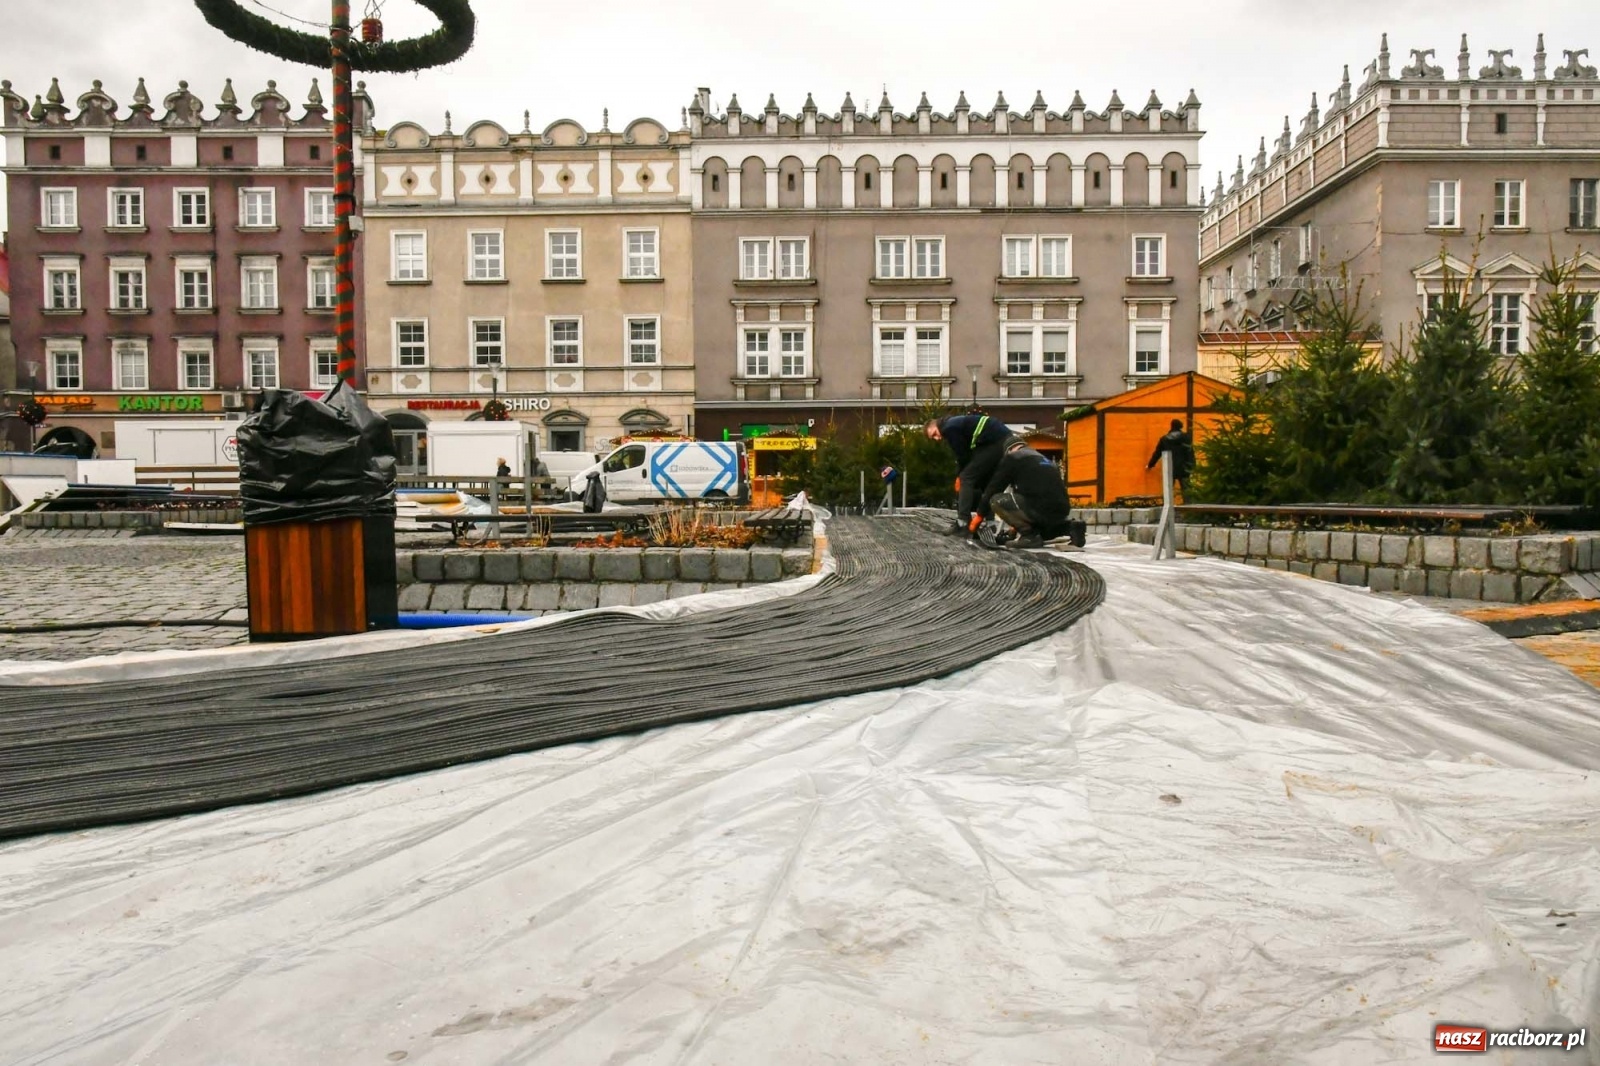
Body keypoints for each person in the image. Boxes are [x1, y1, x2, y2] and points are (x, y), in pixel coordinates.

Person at [978, 440, 1085, 549]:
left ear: (1009, 450)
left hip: (1039, 507)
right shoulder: (1044, 459)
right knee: (1041, 533)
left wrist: (979, 515)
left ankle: (1029, 537)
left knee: (996, 500)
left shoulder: (1013, 458)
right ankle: (1071, 527)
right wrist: (1013, 530)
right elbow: (1034, 490)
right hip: (1061, 511)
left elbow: (994, 488)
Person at [925, 413, 1017, 535]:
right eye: (934, 438)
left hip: (994, 442)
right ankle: (990, 524)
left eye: (935, 434)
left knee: (966, 479)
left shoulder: (948, 428)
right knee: (985, 482)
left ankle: (962, 523)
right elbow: (970, 454)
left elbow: (963, 456)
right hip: (1002, 440)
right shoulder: (955, 423)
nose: (938, 438)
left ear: (936, 425)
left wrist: (959, 476)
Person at [1146, 419, 1195, 496]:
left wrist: (1150, 464)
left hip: (1169, 467)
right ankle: (1188, 506)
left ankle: (1167, 506)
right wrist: (1192, 467)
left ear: (1171, 426)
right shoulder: (1186, 437)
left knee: (1168, 491)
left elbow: (1157, 453)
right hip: (1184, 468)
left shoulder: (1164, 439)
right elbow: (1190, 453)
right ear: (1180, 427)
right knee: (1186, 491)